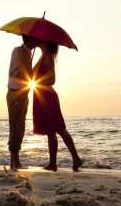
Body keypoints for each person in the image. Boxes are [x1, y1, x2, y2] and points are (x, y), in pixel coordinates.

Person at [32, 40, 83, 172]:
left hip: (48, 96)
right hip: (40, 96)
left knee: (59, 128)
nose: (39, 40)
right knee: (50, 131)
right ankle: (53, 163)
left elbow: (52, 80)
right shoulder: (41, 57)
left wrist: (37, 77)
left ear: (47, 43)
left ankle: (76, 158)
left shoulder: (48, 56)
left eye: (42, 40)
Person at [6, 34, 40, 170]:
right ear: (31, 39)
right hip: (15, 92)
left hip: (22, 93)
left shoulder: (28, 53)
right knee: (16, 126)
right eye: (37, 38)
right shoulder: (18, 51)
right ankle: (16, 162)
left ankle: (14, 163)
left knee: (19, 127)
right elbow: (13, 71)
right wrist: (27, 75)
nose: (39, 40)